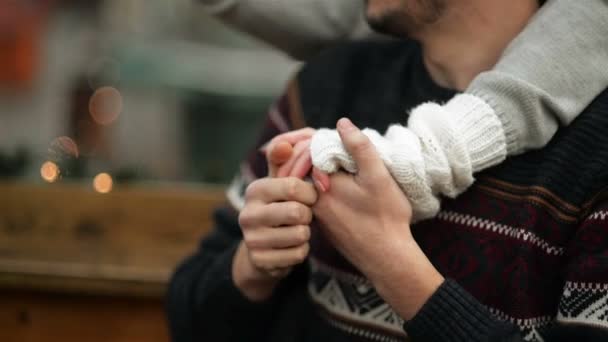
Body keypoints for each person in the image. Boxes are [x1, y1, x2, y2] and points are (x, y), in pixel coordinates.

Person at [169, 1, 608, 341]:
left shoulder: (596, 149)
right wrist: (252, 269)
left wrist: (392, 265)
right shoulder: (329, 86)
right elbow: (188, 321)